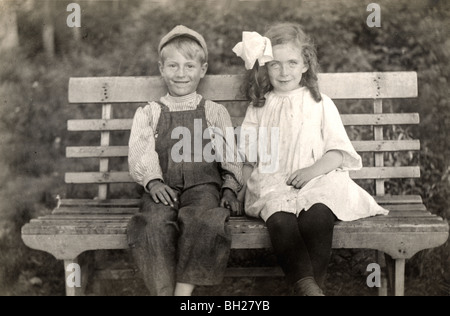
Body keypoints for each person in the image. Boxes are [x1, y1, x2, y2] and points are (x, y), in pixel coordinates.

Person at [233, 23, 389, 296]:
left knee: (317, 216)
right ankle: (308, 288)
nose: (284, 72)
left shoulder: (320, 102)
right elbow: (248, 157)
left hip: (318, 179)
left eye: (292, 63)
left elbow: (338, 153)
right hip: (273, 182)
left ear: (305, 64)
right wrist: (239, 188)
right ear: (264, 67)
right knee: (280, 220)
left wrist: (311, 171)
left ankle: (309, 289)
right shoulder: (259, 106)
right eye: (275, 64)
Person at [127, 25, 243, 296]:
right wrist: (153, 182)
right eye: (173, 66)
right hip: (163, 187)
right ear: (162, 68)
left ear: (202, 70)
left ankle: (183, 292)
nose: (181, 74)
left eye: (189, 66)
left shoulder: (214, 111)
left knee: (205, 220)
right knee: (151, 224)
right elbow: (141, 149)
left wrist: (229, 187)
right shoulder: (150, 112)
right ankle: (163, 291)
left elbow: (230, 155)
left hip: (203, 186)